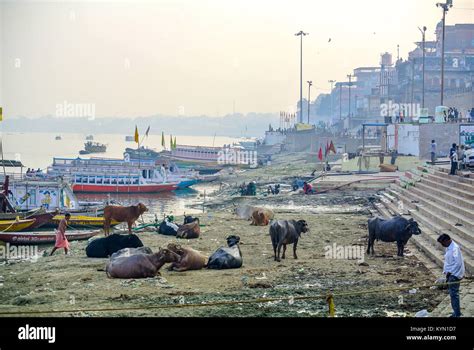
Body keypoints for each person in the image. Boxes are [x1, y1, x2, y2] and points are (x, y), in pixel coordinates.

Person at [437, 234, 464, 317]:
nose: (442, 245)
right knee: (452, 294)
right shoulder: (449, 247)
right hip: (450, 274)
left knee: (454, 294)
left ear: (447, 241)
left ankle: (457, 314)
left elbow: (458, 263)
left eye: (442, 243)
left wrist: (450, 272)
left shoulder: (455, 248)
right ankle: (456, 312)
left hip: (454, 274)